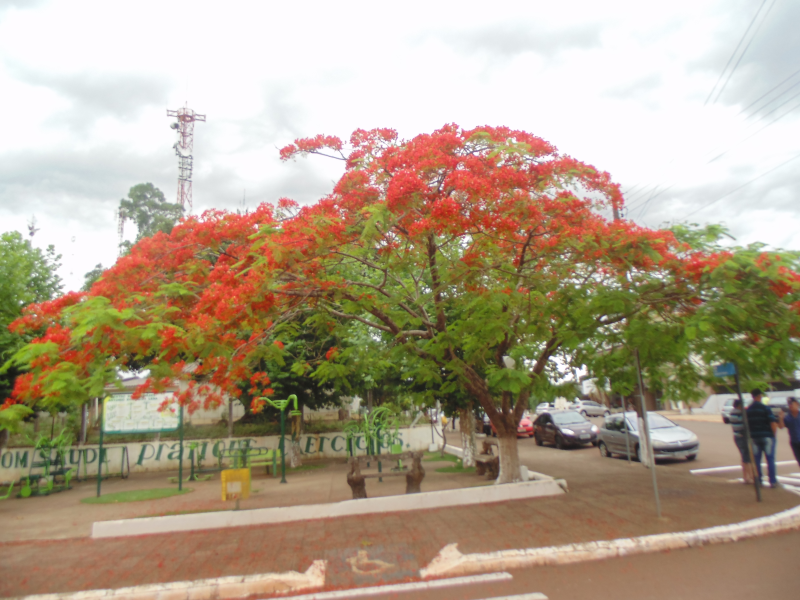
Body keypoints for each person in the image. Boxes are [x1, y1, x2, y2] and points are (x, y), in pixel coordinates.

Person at [746, 388, 779, 488]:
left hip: (754, 438)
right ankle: (772, 481)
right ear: (760, 396)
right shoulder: (766, 408)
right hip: (767, 436)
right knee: (770, 459)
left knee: (756, 460)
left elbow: (747, 425)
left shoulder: (748, 410)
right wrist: (773, 436)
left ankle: (759, 480)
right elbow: (773, 423)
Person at [729, 399, 754, 484]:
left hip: (736, 436)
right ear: (739, 405)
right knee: (746, 457)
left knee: (743, 456)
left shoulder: (732, 413)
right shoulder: (739, 413)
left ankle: (745, 477)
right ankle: (750, 476)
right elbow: (744, 423)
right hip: (741, 436)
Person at [778, 397, 800, 467]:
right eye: (789, 404)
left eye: (792, 403)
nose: (790, 405)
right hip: (794, 442)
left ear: (797, 404)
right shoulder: (788, 417)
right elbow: (781, 427)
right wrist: (781, 418)